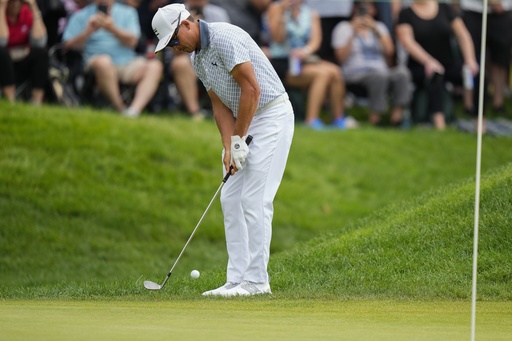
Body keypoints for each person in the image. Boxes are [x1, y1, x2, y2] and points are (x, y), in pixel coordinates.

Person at [152, 3, 294, 296]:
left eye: (174, 40)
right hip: (245, 119)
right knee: (230, 197)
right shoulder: (196, 57)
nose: (175, 48)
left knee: (255, 198)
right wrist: (229, 147)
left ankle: (257, 282)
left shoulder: (225, 37)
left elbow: (251, 90)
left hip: (270, 114)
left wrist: (240, 139)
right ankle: (237, 279)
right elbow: (219, 105)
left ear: (186, 25)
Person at [62, 0, 163, 117]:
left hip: (126, 61)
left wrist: (112, 29)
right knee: (104, 61)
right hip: (96, 61)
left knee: (155, 66)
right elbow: (67, 46)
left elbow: (133, 42)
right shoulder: (80, 15)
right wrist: (88, 31)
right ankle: (120, 108)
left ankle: (133, 111)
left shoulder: (128, 12)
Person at [265, 0, 350, 130]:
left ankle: (338, 119)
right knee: (322, 74)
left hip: (302, 60)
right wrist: (283, 12)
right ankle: (311, 119)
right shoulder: (276, 8)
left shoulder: (310, 13)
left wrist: (305, 51)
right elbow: (277, 38)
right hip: (281, 61)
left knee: (335, 71)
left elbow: (315, 41)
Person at [396, 0, 478, 130]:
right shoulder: (406, 13)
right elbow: (407, 42)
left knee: (478, 75)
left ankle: (479, 121)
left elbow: (463, 35)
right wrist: (428, 61)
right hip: (419, 66)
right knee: (435, 73)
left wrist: (470, 60)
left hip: (448, 64)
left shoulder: (445, 8)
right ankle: (440, 124)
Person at [332, 1, 412, 126]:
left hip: (381, 70)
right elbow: (340, 58)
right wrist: (352, 32)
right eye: (362, 7)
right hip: (356, 74)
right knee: (379, 76)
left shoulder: (379, 27)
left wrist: (375, 30)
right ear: (354, 9)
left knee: (402, 73)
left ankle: (397, 118)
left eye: (369, 7)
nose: (366, 11)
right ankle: (375, 119)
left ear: (374, 10)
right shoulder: (343, 27)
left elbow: (390, 52)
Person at [167, 0, 231, 119]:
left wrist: (199, 28)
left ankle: (227, 112)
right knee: (180, 64)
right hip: (189, 62)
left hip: (215, 61)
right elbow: (176, 50)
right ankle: (195, 113)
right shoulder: (176, 14)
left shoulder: (219, 14)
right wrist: (190, 29)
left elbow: (226, 45)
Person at [460, 0, 512, 116]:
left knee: (500, 60)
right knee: (470, 58)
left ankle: (498, 103)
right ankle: (468, 104)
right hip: (473, 9)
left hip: (502, 10)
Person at [0, 0, 48, 104]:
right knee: (2, 53)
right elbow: (2, 41)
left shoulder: (26, 13)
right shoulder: (1, 11)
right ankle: (10, 101)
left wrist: (33, 7)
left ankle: (36, 102)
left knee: (41, 53)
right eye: (12, 1)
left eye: (20, 1)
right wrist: (2, 7)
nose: (16, 4)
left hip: (21, 61)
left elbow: (40, 42)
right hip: (3, 63)